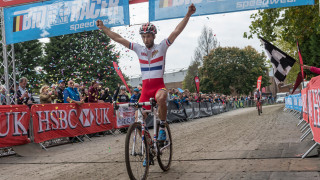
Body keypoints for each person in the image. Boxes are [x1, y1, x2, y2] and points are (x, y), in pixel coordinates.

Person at [97, 3, 196, 165]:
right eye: (143, 37)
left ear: (154, 36)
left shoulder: (162, 47)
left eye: (148, 36)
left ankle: (162, 128)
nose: (145, 39)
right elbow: (118, 38)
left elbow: (176, 31)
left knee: (162, 97)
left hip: (158, 87)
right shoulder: (138, 49)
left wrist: (187, 15)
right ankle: (148, 150)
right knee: (139, 121)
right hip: (145, 91)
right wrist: (104, 28)